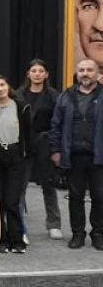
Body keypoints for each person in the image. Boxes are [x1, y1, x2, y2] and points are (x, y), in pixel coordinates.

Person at [48, 58, 103, 250]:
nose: (85, 74)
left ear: (97, 73)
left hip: (99, 156)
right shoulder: (66, 96)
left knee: (100, 197)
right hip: (73, 156)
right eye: (81, 70)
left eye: (89, 70)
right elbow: (55, 125)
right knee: (75, 197)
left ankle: (98, 233)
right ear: (77, 73)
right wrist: (55, 150)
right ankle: (77, 233)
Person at [0, 73, 30, 254]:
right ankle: (1, 239)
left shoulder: (21, 106)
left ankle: (17, 239)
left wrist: (27, 153)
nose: (0, 89)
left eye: (2, 85)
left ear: (8, 85)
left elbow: (28, 133)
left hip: (15, 154)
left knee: (12, 199)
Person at [18, 59, 62, 240]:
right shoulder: (18, 95)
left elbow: (58, 122)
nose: (37, 74)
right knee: (21, 186)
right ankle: (19, 226)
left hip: (45, 142)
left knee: (48, 184)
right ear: (28, 74)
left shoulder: (54, 96)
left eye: (41, 71)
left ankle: (54, 224)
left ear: (46, 74)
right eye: (34, 71)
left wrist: (55, 147)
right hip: (24, 143)